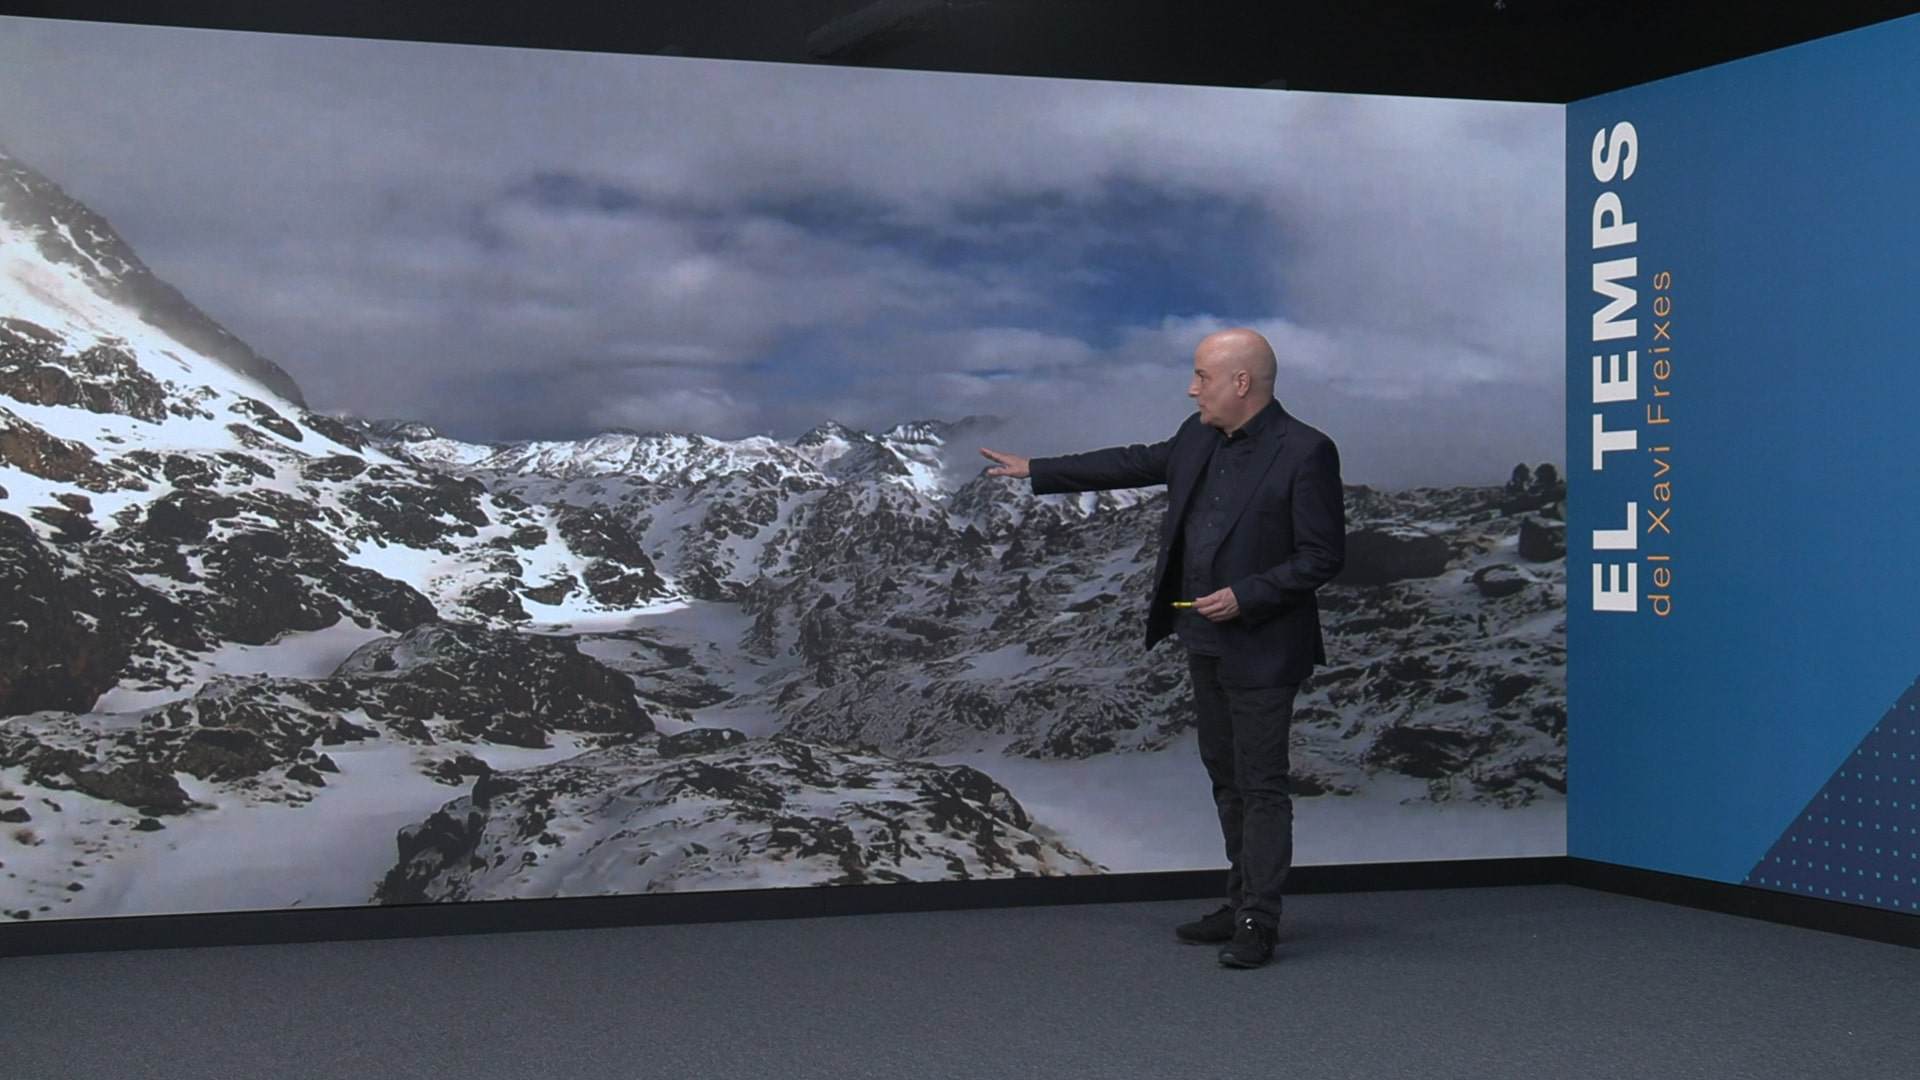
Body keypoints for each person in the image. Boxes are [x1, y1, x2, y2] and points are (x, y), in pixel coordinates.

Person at [979, 327, 1346, 969]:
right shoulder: (1196, 434)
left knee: (1261, 786)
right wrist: (1035, 469)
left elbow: (1322, 555)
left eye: (1202, 375)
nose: (1190, 386)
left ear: (1242, 383)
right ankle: (1239, 903)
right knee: (1226, 779)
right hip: (1202, 639)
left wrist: (1248, 595)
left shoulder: (1306, 451)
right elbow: (1129, 462)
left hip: (1263, 644)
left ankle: (1260, 919)